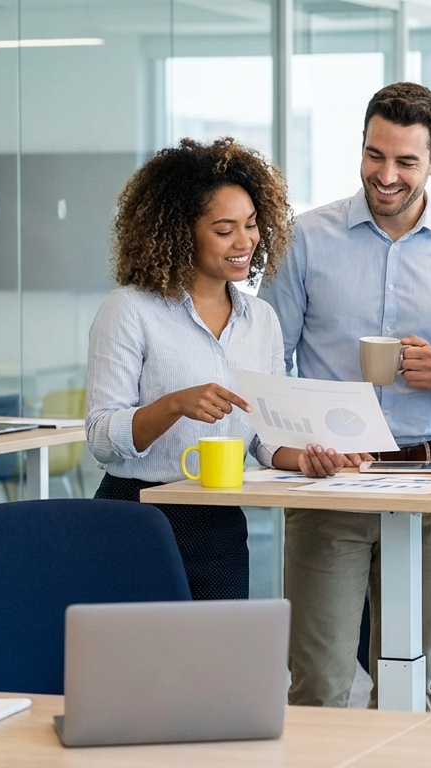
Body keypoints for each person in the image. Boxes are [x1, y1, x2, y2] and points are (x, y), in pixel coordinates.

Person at [258, 82, 431, 707]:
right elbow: (267, 359)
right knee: (318, 684)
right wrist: (294, 443)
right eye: (376, 155)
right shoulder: (305, 240)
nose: (387, 175)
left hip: (428, 481)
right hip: (331, 483)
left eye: (406, 161)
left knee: (407, 681)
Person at [86, 137, 365, 601]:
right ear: (181, 231)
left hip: (220, 525)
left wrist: (308, 457)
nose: (246, 242)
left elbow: (263, 436)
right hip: (135, 520)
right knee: (140, 671)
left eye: (252, 225)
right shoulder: (129, 310)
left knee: (220, 668)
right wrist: (174, 405)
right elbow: (100, 438)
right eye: (225, 229)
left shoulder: (262, 321)